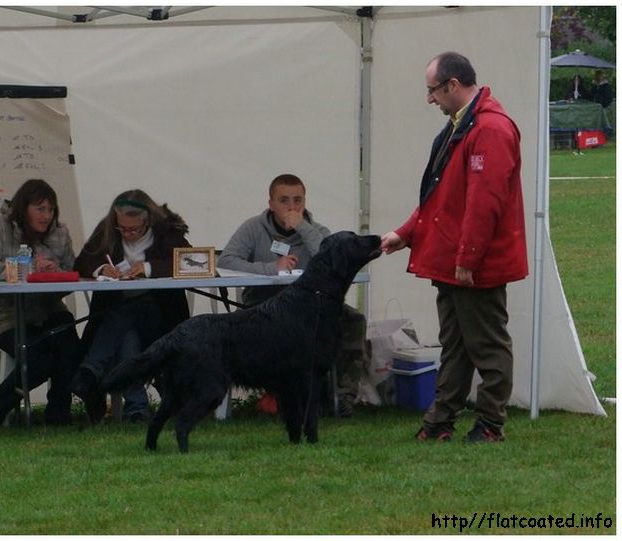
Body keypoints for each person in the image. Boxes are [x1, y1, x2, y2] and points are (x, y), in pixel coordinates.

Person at [380, 52, 528, 443]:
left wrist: (468, 258)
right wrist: (405, 233)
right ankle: (440, 421)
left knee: (488, 345)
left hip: (474, 264)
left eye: (432, 91)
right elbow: (440, 198)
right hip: (453, 261)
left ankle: (491, 423)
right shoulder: (460, 126)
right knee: (456, 346)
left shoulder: (490, 130)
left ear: (452, 85)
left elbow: (485, 202)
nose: (429, 99)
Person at [218, 173, 368, 416]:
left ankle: (343, 396)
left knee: (353, 320)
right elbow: (226, 261)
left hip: (312, 306)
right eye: (284, 200)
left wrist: (302, 227)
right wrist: (269, 268)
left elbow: (331, 255)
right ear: (271, 204)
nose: (292, 207)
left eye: (297, 200)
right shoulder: (253, 228)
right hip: (263, 305)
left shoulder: (316, 230)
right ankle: (277, 392)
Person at [71, 189, 191, 423]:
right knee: (128, 335)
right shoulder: (107, 230)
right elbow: (83, 261)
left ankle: (90, 371)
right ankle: (136, 410)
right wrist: (101, 269)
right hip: (118, 326)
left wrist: (148, 269)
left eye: (134, 229)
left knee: (129, 309)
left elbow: (190, 261)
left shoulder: (167, 232)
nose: (127, 233)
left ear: (148, 221)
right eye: (122, 228)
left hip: (161, 321)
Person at [0, 178, 82, 426]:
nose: (46, 216)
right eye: (40, 209)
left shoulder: (60, 233)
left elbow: (71, 271)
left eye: (51, 209)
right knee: (41, 360)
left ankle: (58, 415)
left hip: (49, 309)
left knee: (70, 349)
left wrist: (54, 272)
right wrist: (29, 268)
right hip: (7, 315)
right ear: (24, 208)